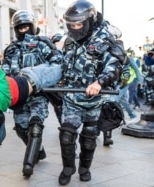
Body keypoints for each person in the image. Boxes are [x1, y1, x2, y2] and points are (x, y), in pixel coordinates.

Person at [56, 1, 125, 185]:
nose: (75, 28)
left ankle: (85, 169)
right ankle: (68, 168)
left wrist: (99, 82)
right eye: (72, 24)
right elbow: (63, 64)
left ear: (90, 21)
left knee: (88, 140)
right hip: (71, 99)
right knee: (66, 135)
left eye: (79, 24)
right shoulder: (69, 40)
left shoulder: (105, 38)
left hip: (95, 102)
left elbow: (115, 66)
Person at [2, 10, 63, 177]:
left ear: (33, 26)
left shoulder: (43, 44)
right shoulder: (10, 50)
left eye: (26, 27)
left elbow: (57, 63)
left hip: (39, 94)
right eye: (20, 28)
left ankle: (28, 164)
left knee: (36, 126)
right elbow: (4, 72)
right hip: (19, 96)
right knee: (21, 128)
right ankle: (39, 150)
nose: (23, 30)